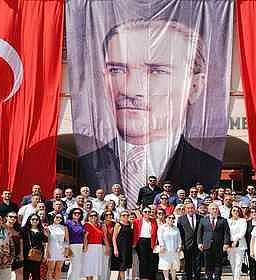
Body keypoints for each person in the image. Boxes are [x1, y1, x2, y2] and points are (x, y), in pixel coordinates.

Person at [79, 19, 222, 201]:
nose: (129, 90)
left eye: (156, 71)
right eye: (116, 70)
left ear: (194, 86)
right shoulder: (88, 162)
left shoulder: (208, 166)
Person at [197, 203, 231, 280]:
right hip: (207, 245)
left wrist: (226, 243)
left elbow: (226, 233)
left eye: (216, 209)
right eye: (212, 209)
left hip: (219, 245)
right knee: (208, 264)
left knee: (218, 263)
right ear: (209, 210)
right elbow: (199, 233)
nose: (215, 210)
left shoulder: (223, 220)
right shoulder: (203, 220)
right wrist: (199, 243)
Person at [21, 214, 47, 280]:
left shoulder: (41, 231)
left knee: (36, 272)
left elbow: (45, 242)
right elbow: (21, 241)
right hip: (26, 254)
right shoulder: (25, 230)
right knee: (26, 272)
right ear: (29, 220)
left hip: (38, 254)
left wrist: (45, 254)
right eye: (33, 219)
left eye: (36, 219)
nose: (35, 221)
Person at [177, 202, 202, 280]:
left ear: (194, 208)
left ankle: (197, 278)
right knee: (188, 262)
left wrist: (201, 242)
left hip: (198, 243)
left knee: (198, 261)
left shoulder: (200, 218)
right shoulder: (181, 219)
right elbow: (180, 233)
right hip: (187, 244)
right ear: (185, 209)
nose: (190, 210)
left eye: (192, 208)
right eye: (188, 208)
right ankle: (189, 279)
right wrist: (181, 244)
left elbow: (201, 231)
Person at [5, 212, 28, 280]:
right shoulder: (3, 227)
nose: (13, 218)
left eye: (15, 217)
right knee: (7, 274)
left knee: (20, 271)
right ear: (6, 217)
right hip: (7, 253)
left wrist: (21, 253)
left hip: (17, 253)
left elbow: (21, 242)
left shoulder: (17, 229)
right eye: (11, 216)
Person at [132, 208, 158, 280]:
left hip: (150, 241)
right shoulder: (137, 221)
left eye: (148, 211)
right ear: (142, 213)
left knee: (150, 260)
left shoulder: (153, 221)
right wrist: (134, 243)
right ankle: (143, 278)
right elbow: (134, 232)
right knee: (143, 260)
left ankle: (147, 278)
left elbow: (155, 232)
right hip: (141, 242)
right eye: (145, 211)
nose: (147, 213)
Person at [82, 211, 107, 280]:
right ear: (88, 216)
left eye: (95, 215)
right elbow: (85, 237)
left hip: (98, 247)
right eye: (91, 215)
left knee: (93, 264)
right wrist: (85, 247)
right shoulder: (87, 225)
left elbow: (103, 236)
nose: (93, 217)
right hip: (90, 246)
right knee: (89, 264)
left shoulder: (99, 225)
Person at [45, 214, 69, 280]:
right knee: (50, 269)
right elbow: (47, 240)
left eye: (60, 218)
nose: (58, 219)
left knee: (59, 269)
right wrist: (47, 250)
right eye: (57, 217)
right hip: (52, 249)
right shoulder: (49, 228)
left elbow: (67, 240)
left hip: (61, 250)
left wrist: (66, 249)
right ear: (53, 218)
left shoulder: (64, 228)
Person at [157, 214, 182, 280]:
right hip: (165, 249)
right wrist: (162, 245)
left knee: (174, 265)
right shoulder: (162, 228)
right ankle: (166, 279)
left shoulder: (176, 228)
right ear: (166, 219)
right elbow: (160, 237)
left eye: (172, 218)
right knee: (165, 264)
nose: (171, 219)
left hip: (174, 249)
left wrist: (179, 246)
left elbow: (179, 238)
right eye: (169, 218)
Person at [65, 209, 86, 280]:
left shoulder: (80, 223)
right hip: (72, 245)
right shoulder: (68, 223)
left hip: (79, 245)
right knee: (75, 265)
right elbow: (67, 235)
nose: (77, 214)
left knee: (75, 266)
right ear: (71, 214)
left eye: (79, 213)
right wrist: (68, 246)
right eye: (75, 213)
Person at [111, 211, 133, 280]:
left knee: (126, 263)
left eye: (127, 215)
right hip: (121, 247)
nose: (125, 216)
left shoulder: (130, 224)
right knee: (122, 263)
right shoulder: (118, 225)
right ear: (120, 216)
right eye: (123, 215)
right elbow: (114, 237)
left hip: (128, 246)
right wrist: (115, 248)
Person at [227, 206, 247, 280]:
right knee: (232, 262)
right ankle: (234, 277)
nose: (235, 212)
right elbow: (226, 232)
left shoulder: (242, 221)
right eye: (234, 210)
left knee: (238, 262)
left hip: (240, 244)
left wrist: (236, 240)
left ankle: (236, 279)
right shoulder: (227, 221)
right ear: (231, 212)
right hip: (230, 244)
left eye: (237, 211)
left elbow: (242, 232)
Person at [245, 208, 256, 280]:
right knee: (251, 263)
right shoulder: (247, 223)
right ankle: (253, 279)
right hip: (250, 246)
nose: (253, 213)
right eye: (252, 212)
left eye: (255, 212)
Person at [99, 211, 115, 280]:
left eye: (110, 214)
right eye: (107, 215)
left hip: (112, 245)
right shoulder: (103, 224)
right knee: (104, 263)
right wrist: (108, 247)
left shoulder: (113, 224)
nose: (109, 216)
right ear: (104, 216)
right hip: (104, 246)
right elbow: (104, 236)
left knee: (109, 264)